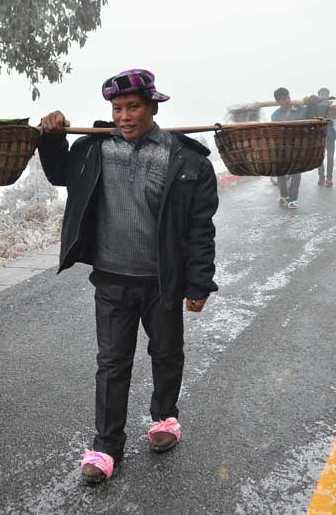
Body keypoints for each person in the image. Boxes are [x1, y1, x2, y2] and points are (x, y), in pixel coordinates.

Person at [37, 69, 219, 484]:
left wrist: (199, 282)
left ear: (153, 107)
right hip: (112, 279)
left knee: (167, 353)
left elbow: (199, 228)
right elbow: (58, 173)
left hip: (163, 281)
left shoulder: (184, 159)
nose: (124, 116)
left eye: (133, 107)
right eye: (117, 109)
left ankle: (164, 419)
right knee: (112, 363)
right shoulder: (94, 149)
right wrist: (51, 136)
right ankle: (105, 446)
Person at [270, 87, 307, 209]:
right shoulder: (275, 116)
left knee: (296, 173)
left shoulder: (300, 110)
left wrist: (312, 99)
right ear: (278, 101)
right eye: (283, 98)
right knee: (281, 172)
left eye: (288, 97)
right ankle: (284, 195)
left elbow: (312, 110)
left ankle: (293, 199)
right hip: (282, 148)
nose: (287, 100)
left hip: (297, 147)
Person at [316, 87, 336, 187]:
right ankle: (321, 177)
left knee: (330, 157)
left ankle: (329, 178)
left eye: (325, 94)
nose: (323, 96)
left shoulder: (332, 104)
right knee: (319, 158)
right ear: (318, 94)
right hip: (319, 135)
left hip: (330, 134)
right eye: (321, 94)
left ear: (328, 95)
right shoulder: (315, 105)